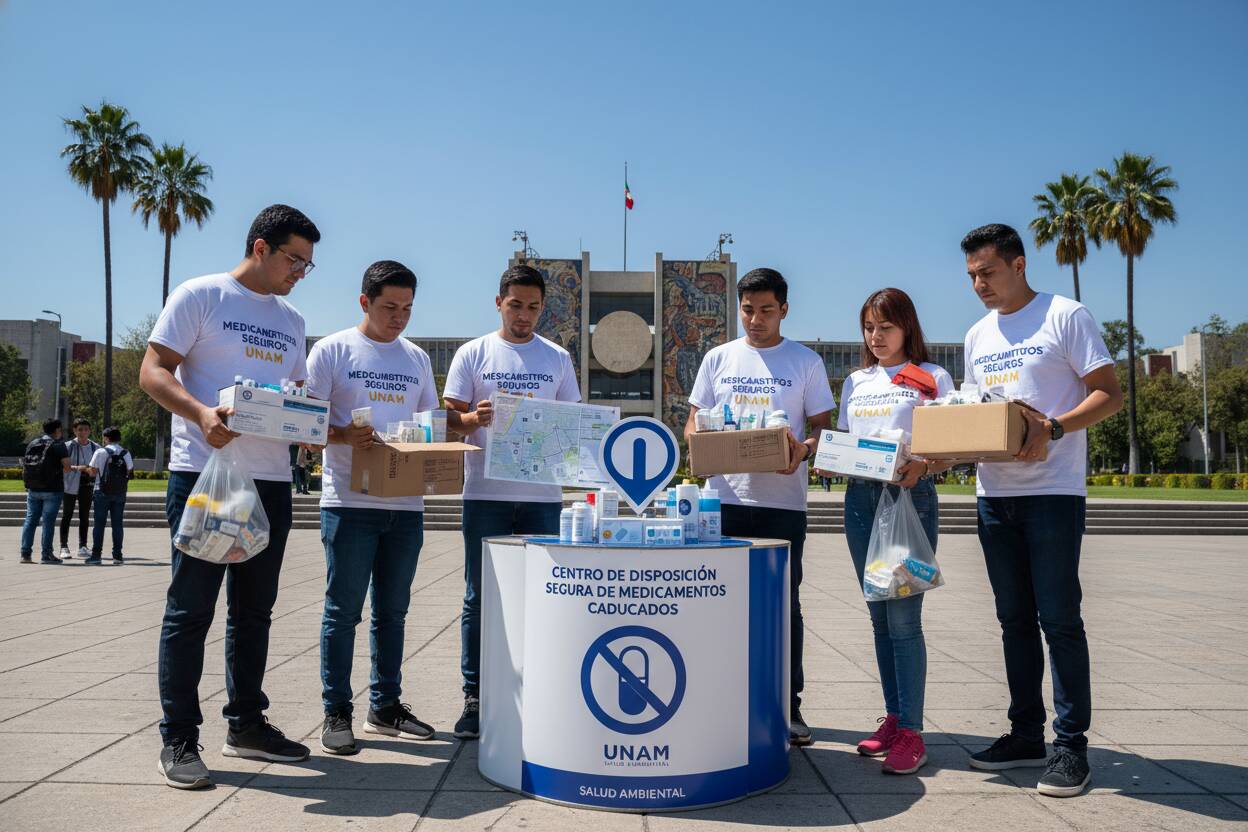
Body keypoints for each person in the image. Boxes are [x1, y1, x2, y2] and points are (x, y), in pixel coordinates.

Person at [139, 204, 321, 789]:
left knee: (254, 611)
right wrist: (199, 413)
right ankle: (178, 737)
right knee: (191, 610)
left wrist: (307, 425)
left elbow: (293, 393)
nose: (300, 272)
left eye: (308, 265)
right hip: (206, 474)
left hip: (270, 479)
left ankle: (246, 725)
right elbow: (153, 370)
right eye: (295, 259)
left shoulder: (292, 319)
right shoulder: (202, 295)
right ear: (261, 247)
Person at [958, 224, 1122, 798]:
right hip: (993, 495)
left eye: (988, 272)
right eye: (972, 275)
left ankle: (1071, 746)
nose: (979, 284)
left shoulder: (1065, 316)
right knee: (1014, 621)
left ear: (1019, 264)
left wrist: (1053, 428)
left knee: (1059, 619)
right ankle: (1025, 733)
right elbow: (976, 409)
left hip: (1052, 493)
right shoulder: (978, 334)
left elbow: (1109, 393)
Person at [684, 267, 836, 745]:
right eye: (748, 310)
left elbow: (822, 428)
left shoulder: (805, 361)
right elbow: (693, 423)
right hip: (723, 502)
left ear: (784, 310)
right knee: (718, 602)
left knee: (783, 605)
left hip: (782, 504)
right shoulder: (718, 358)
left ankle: (789, 707)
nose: (755, 319)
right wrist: (699, 446)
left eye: (766, 310)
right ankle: (719, 702)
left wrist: (803, 450)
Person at [443, 263, 582, 740]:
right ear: (499, 302)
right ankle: (476, 696)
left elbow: (572, 422)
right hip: (486, 495)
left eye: (533, 307)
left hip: (543, 498)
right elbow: (447, 419)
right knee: (480, 597)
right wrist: (471, 420)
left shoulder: (557, 358)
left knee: (544, 593)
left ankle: (539, 689)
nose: (524, 315)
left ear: (543, 308)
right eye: (516, 305)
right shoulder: (473, 353)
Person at [307, 260, 439, 755]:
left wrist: (435, 440)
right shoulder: (333, 350)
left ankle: (384, 706)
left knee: (393, 611)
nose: (399, 317)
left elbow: (429, 423)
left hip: (406, 505)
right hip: (349, 503)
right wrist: (343, 434)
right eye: (389, 307)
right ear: (364, 302)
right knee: (343, 611)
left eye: (407, 308)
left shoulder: (416, 359)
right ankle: (336, 711)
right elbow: (304, 425)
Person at [828, 288, 954, 774]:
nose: (875, 337)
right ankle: (895, 717)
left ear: (907, 327)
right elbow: (845, 441)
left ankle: (913, 734)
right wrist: (833, 457)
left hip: (908, 499)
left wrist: (924, 466)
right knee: (879, 616)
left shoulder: (931, 377)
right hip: (860, 500)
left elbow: (949, 446)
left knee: (903, 618)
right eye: (868, 328)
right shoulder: (855, 381)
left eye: (885, 327)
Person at [20, 418, 71, 564]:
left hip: (33, 488)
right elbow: (67, 467)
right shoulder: (58, 445)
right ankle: (46, 555)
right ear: (57, 430)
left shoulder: (33, 443)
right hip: (53, 489)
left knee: (30, 520)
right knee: (48, 522)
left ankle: (25, 554)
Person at [86, 425, 133, 564]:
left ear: (106, 438)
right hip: (120, 492)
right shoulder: (125, 453)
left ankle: (96, 555)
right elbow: (129, 471)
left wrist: (84, 469)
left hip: (101, 491)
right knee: (117, 524)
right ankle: (117, 555)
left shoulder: (100, 452)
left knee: (99, 524)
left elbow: (93, 472)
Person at [60, 418, 100, 558]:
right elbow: (61, 466)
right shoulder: (67, 446)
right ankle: (64, 547)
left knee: (84, 516)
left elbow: (100, 467)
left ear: (90, 431)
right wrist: (80, 468)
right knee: (67, 515)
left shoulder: (96, 447)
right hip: (69, 486)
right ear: (74, 430)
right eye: (80, 430)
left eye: (86, 429)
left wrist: (93, 471)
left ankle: (83, 546)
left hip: (87, 486)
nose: (83, 432)